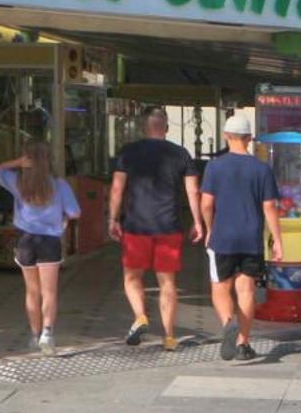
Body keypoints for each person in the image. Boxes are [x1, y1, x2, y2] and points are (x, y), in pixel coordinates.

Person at [109, 107, 203, 351]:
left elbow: (117, 188)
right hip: (168, 226)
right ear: (166, 128)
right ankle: (169, 336)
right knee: (168, 282)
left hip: (136, 225)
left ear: (144, 127)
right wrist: (198, 221)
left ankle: (140, 316)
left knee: (132, 277)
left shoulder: (128, 152)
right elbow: (192, 191)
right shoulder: (180, 154)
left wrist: (113, 219)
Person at [199, 113, 282, 361]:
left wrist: (209, 228)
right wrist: (277, 239)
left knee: (220, 286)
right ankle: (243, 343)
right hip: (251, 237)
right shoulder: (262, 169)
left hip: (222, 236)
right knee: (245, 289)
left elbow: (206, 203)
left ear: (226, 136)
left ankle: (228, 324)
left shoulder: (214, 167)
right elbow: (269, 207)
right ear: (249, 138)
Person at [0, 140, 80, 355]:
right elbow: (75, 212)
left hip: (25, 240)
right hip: (50, 241)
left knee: (32, 291)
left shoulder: (17, 182)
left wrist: (18, 162)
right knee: (49, 292)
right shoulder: (59, 185)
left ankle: (34, 336)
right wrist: (64, 218)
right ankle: (47, 333)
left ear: (27, 160)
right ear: (48, 160)